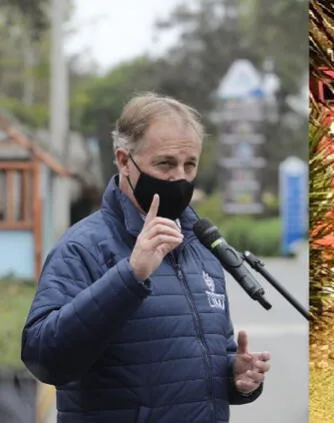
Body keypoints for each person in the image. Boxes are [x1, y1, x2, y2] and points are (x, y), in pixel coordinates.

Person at [21, 93, 270, 423]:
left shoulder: (201, 247)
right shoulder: (81, 247)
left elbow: (207, 356)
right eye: (165, 163)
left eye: (189, 164)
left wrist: (237, 378)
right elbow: (44, 359)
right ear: (124, 161)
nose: (179, 177)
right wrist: (130, 275)